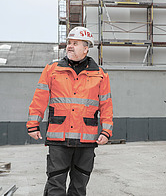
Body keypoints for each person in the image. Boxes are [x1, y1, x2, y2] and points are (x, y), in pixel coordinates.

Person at [26, 26, 113, 196]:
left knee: (79, 189)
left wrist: (106, 131)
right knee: (55, 186)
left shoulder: (101, 75)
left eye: (75, 43)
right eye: (69, 43)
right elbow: (39, 99)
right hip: (59, 137)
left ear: (86, 48)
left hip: (86, 140)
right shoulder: (52, 70)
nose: (70, 46)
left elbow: (106, 105)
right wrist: (33, 124)